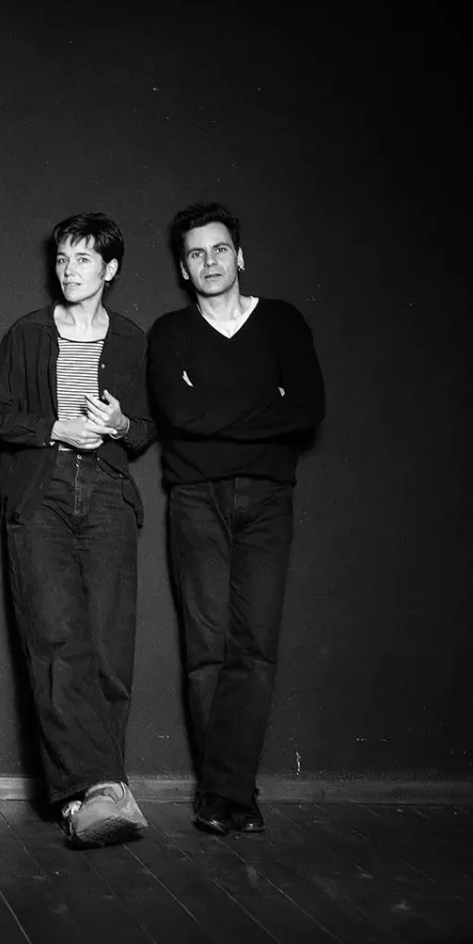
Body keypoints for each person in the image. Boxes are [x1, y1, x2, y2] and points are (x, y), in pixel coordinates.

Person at [147, 201, 326, 835]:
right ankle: (228, 793)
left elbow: (307, 410)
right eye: (196, 253)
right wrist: (261, 407)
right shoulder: (170, 333)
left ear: (240, 256)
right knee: (207, 647)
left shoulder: (281, 321)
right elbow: (179, 416)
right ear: (183, 267)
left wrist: (215, 415)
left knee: (254, 646)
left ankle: (226, 792)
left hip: (268, 500)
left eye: (220, 249)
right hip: (196, 499)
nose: (210, 262)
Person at [0, 212, 155, 847]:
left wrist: (119, 425)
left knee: (108, 646)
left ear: (110, 269)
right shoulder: (28, 333)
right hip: (43, 491)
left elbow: (145, 429)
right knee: (55, 640)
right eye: (61, 259)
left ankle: (96, 792)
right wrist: (56, 427)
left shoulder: (131, 339)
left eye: (83, 259)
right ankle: (94, 792)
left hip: (107, 491)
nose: (69, 270)